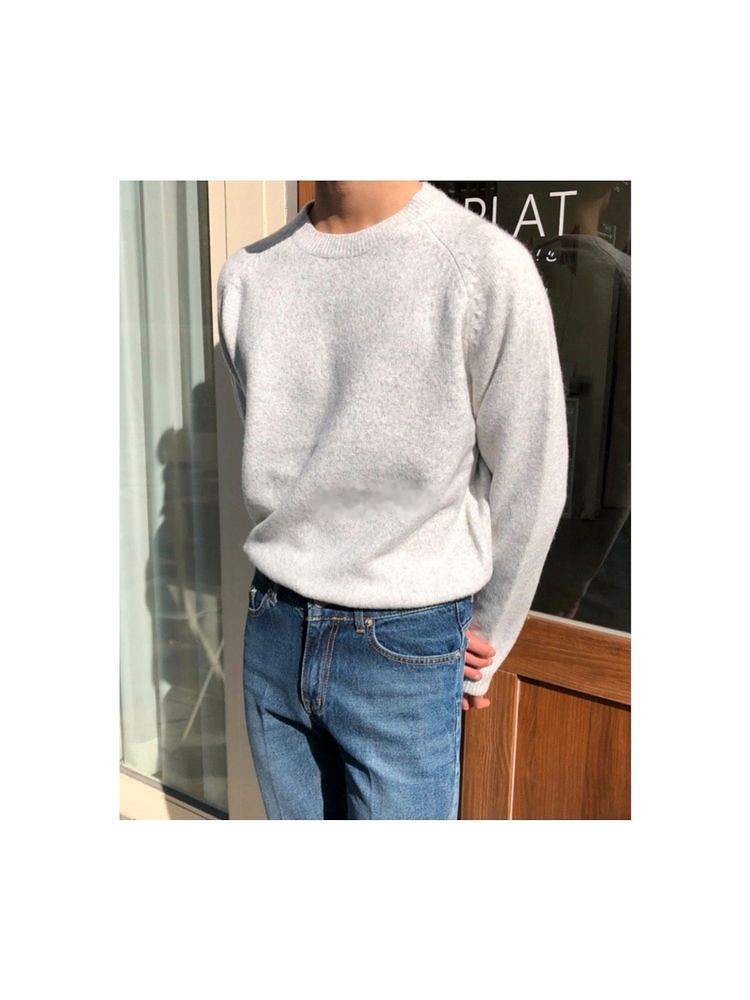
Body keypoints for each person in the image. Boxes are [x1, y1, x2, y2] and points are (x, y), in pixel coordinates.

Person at [217, 180, 569, 819]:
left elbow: (533, 476)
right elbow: (278, 452)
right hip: (275, 622)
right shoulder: (248, 275)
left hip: (405, 640)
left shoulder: (481, 267)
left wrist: (484, 635)